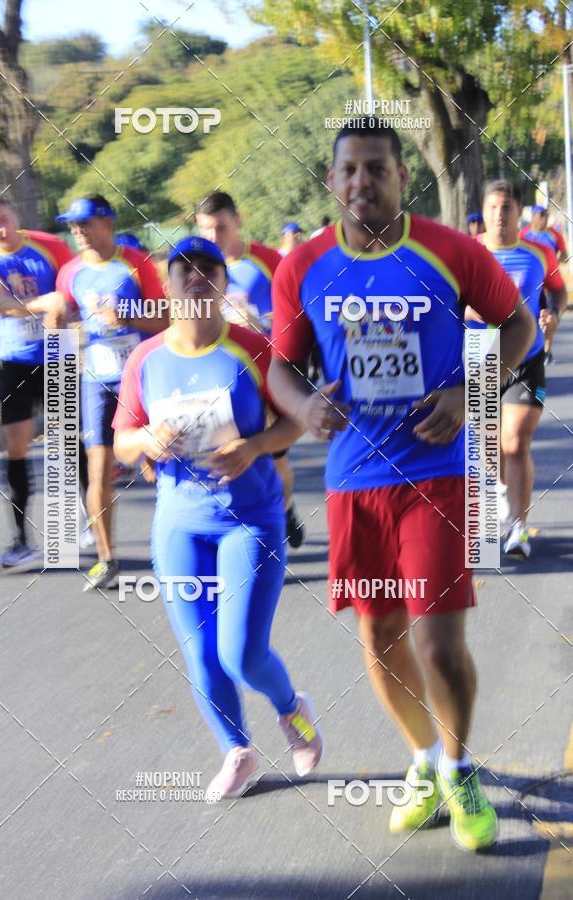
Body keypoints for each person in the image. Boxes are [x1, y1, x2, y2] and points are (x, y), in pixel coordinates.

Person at [268, 120, 535, 851]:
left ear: (400, 178)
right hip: (355, 481)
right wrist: (302, 405)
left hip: (434, 473)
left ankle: (459, 766)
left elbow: (518, 325)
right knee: (382, 638)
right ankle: (422, 761)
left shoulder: (451, 251)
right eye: (349, 170)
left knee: (441, 645)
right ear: (332, 180)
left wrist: (471, 391)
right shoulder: (302, 268)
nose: (363, 183)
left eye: (377, 170)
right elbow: (280, 367)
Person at [112, 236, 322, 799]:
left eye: (209, 268)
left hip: (250, 520)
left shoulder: (253, 348)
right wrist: (148, 439)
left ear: (224, 284)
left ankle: (292, 709)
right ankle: (237, 750)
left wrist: (254, 448)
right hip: (179, 525)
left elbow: (295, 422)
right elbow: (122, 444)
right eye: (185, 269)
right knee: (202, 656)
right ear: (168, 283)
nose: (197, 277)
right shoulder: (146, 359)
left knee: (241, 653)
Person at [55, 195, 165, 590]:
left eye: (85, 222)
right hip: (96, 381)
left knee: (159, 463)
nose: (77, 231)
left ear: (108, 221)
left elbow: (166, 317)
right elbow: (64, 318)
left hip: (139, 378)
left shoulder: (136, 263)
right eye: (71, 225)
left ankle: (181, 543)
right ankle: (106, 558)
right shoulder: (69, 272)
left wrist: (129, 318)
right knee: (98, 469)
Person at [195, 191, 304, 549]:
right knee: (227, 456)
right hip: (220, 378)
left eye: (221, 228)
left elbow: (300, 313)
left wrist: (263, 321)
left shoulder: (269, 261)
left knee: (275, 459)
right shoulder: (196, 267)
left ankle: (283, 510)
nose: (214, 237)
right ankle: (237, 531)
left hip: (267, 372)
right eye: (207, 230)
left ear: (238, 221)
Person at [465, 181, 567, 558]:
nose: (498, 215)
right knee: (490, 449)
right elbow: (446, 300)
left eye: (506, 208)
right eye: (492, 207)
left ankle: (519, 529)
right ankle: (499, 515)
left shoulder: (538, 252)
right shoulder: (468, 253)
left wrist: (552, 313)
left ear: (519, 211)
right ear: (484, 211)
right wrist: (465, 311)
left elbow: (557, 290)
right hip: (481, 353)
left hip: (526, 356)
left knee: (515, 442)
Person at [0, 190, 73, 567]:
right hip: (13, 361)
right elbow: (2, 304)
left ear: (15, 215)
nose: (1, 228)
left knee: (68, 442)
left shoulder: (49, 246)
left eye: (5, 218)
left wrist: (64, 305)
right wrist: (44, 303)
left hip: (56, 354)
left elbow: (73, 287)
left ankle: (87, 524)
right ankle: (21, 540)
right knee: (15, 446)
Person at [519, 205, 568, 363]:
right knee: (532, 317)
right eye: (540, 215)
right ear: (533, 217)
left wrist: (553, 261)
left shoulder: (554, 235)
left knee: (549, 317)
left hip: (550, 282)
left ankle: (547, 350)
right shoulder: (523, 234)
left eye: (545, 215)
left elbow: (565, 255)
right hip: (534, 284)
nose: (544, 218)